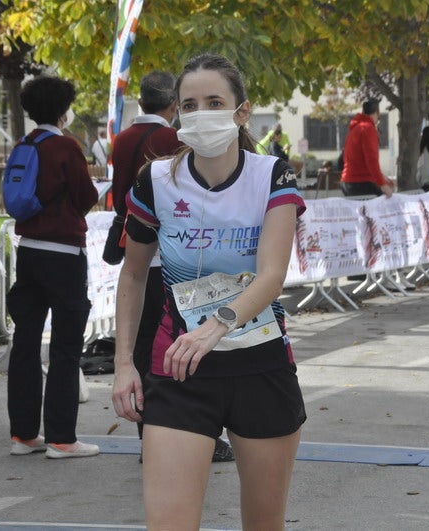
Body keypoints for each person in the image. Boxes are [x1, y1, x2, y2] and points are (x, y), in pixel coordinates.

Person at [112, 52, 306, 530]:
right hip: (179, 369)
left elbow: (271, 275)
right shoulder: (155, 180)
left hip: (259, 365)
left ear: (241, 112)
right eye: (190, 104)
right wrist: (121, 365)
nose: (201, 114)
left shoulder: (271, 175)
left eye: (214, 101)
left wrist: (216, 325)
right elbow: (133, 275)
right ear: (177, 113)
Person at [109, 70, 234, 462]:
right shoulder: (169, 141)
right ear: (172, 106)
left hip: (140, 249)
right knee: (182, 343)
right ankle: (185, 432)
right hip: (173, 255)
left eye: (213, 103)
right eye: (190, 105)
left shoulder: (124, 138)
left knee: (149, 345)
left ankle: (154, 434)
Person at [6, 76, 100, 458]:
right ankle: (62, 438)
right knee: (65, 345)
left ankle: (24, 435)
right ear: (64, 109)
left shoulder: (23, 145)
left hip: (27, 251)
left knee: (25, 343)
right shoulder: (65, 146)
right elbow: (85, 195)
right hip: (63, 253)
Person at [340, 99, 394, 197]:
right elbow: (371, 160)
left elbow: (346, 157)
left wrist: (382, 178)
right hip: (361, 182)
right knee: (384, 205)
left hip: (347, 182)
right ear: (377, 112)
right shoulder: (368, 128)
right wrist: (383, 185)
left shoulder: (354, 129)